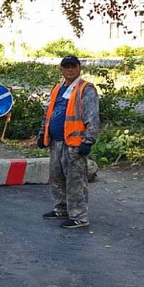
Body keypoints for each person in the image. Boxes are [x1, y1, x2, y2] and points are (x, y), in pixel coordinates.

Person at [37, 55, 99, 229]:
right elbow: (48, 112)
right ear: (61, 70)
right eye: (66, 67)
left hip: (75, 143)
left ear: (79, 68)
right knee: (57, 177)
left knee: (75, 180)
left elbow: (92, 117)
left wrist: (88, 140)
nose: (70, 69)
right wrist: (42, 133)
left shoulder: (85, 89)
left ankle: (79, 215)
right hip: (56, 141)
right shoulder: (57, 88)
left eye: (73, 66)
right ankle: (62, 208)